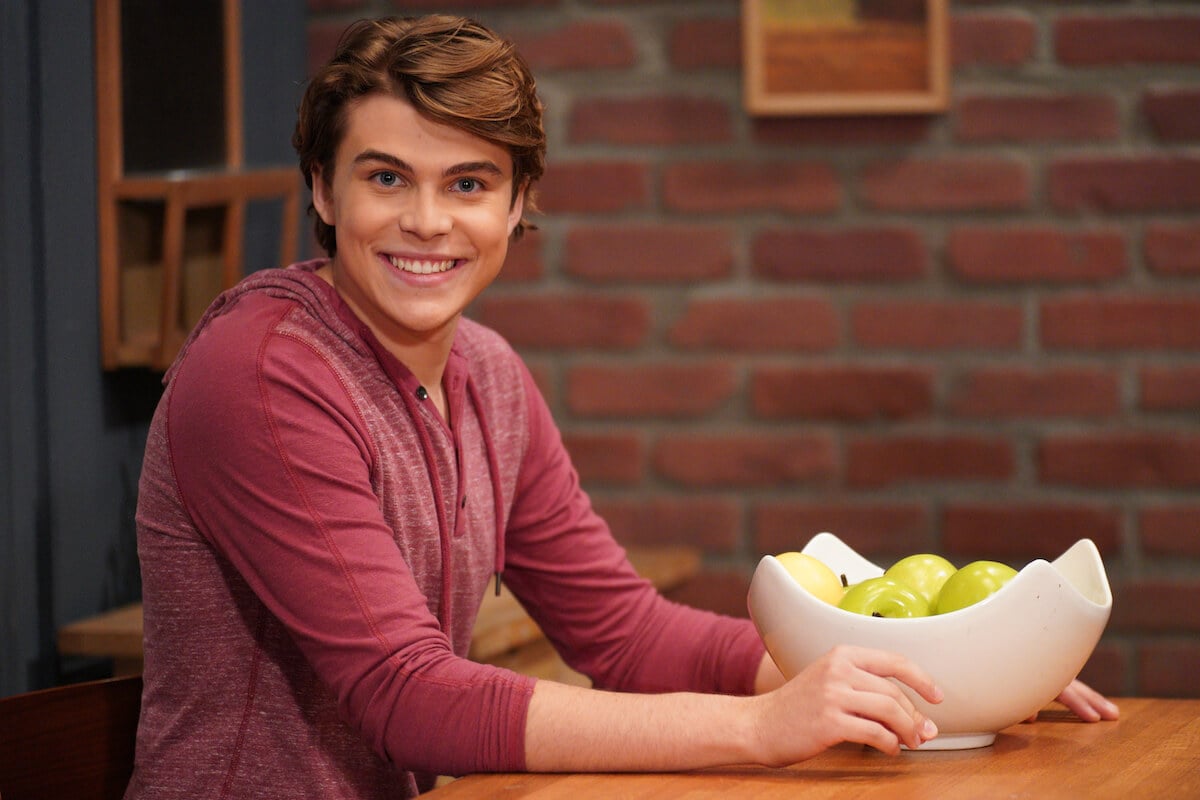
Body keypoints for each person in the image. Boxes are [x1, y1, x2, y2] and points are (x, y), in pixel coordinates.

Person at [126, 14, 1117, 799]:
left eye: (468, 183)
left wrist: (950, 676)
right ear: (324, 190)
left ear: (518, 204)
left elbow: (626, 631)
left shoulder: (488, 373)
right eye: (387, 177)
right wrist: (759, 729)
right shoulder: (263, 369)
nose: (427, 220)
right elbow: (412, 697)